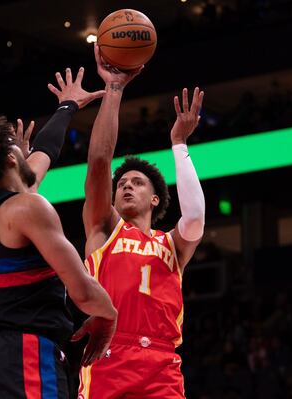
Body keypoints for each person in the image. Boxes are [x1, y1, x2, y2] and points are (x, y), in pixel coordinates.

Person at [0, 67, 118, 399]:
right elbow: (82, 290)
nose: (25, 147)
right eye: (15, 146)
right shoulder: (28, 208)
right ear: (10, 158)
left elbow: (45, 152)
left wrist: (68, 106)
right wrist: (108, 317)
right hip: (25, 357)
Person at [78, 45, 206, 399]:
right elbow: (100, 162)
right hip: (110, 355)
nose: (125, 186)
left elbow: (195, 216)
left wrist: (179, 143)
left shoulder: (172, 247)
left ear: (154, 198)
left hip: (162, 364)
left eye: (136, 182)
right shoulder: (105, 229)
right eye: (122, 184)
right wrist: (114, 89)